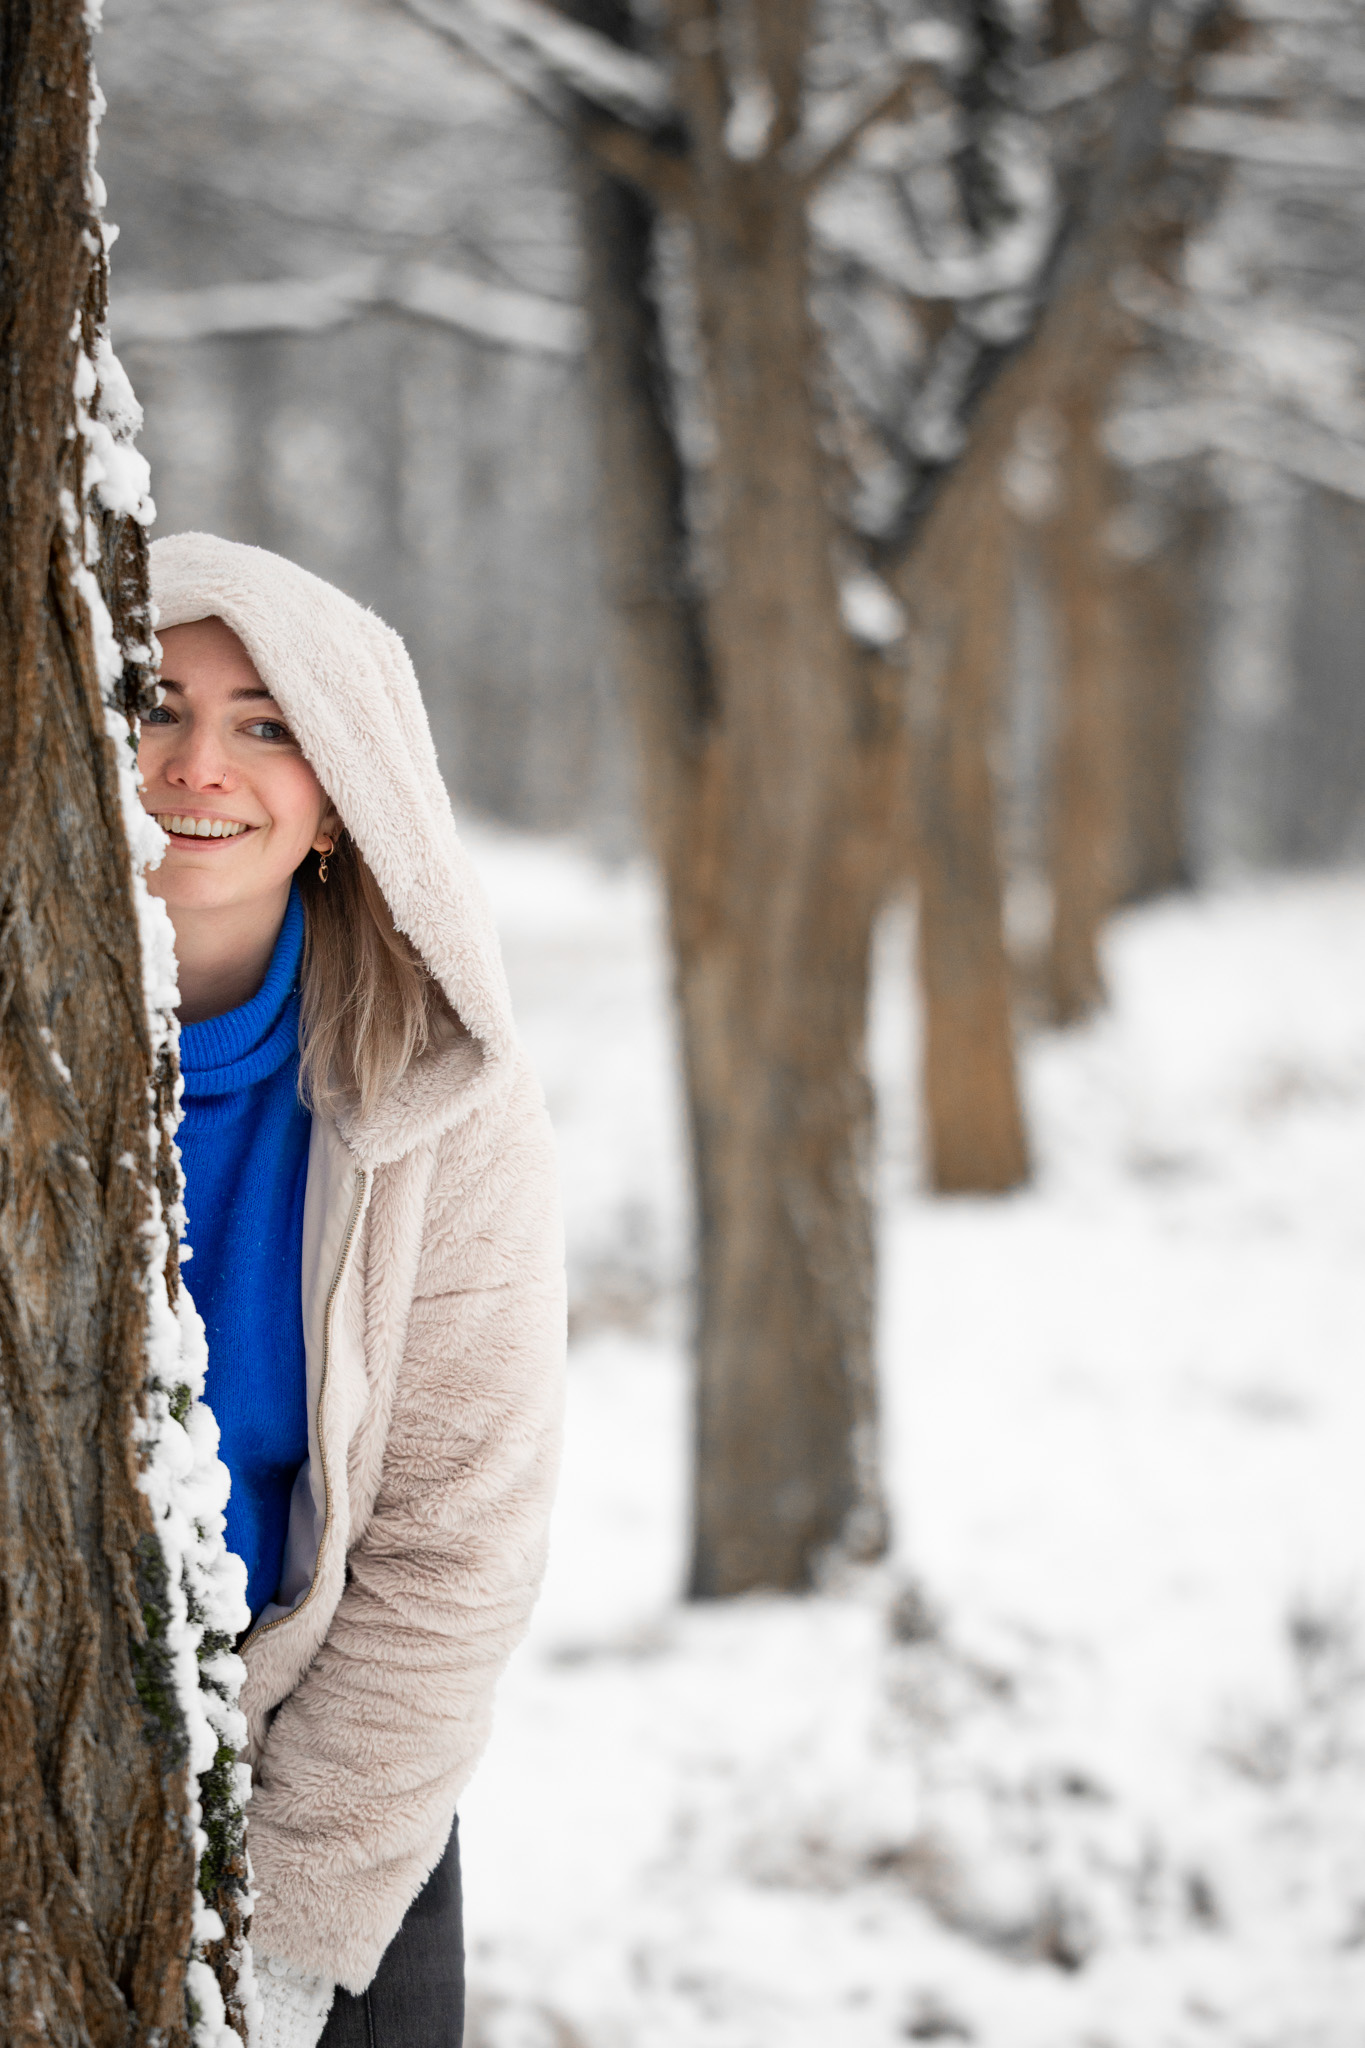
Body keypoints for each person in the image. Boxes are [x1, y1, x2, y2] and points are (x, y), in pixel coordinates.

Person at [140, 532, 565, 2048]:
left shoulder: (442, 1098)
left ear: (339, 799)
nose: (199, 766)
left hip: (329, 1787)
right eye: (155, 704)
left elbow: (453, 1546)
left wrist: (285, 1939)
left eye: (266, 726)